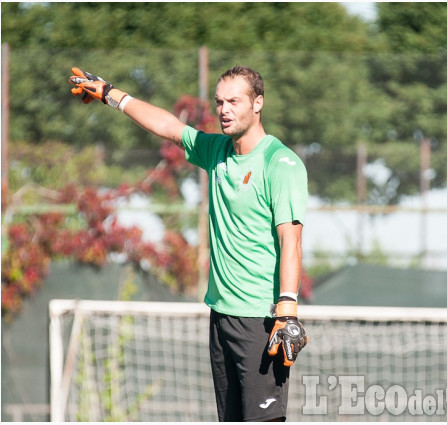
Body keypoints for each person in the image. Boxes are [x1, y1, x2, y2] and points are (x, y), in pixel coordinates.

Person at [69, 66, 309, 422]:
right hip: (221, 316)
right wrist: (110, 94)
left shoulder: (281, 163)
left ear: (258, 103)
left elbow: (291, 239)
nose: (224, 110)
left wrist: (287, 309)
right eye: (219, 102)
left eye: (234, 101)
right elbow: (168, 126)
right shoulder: (215, 150)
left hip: (262, 321)